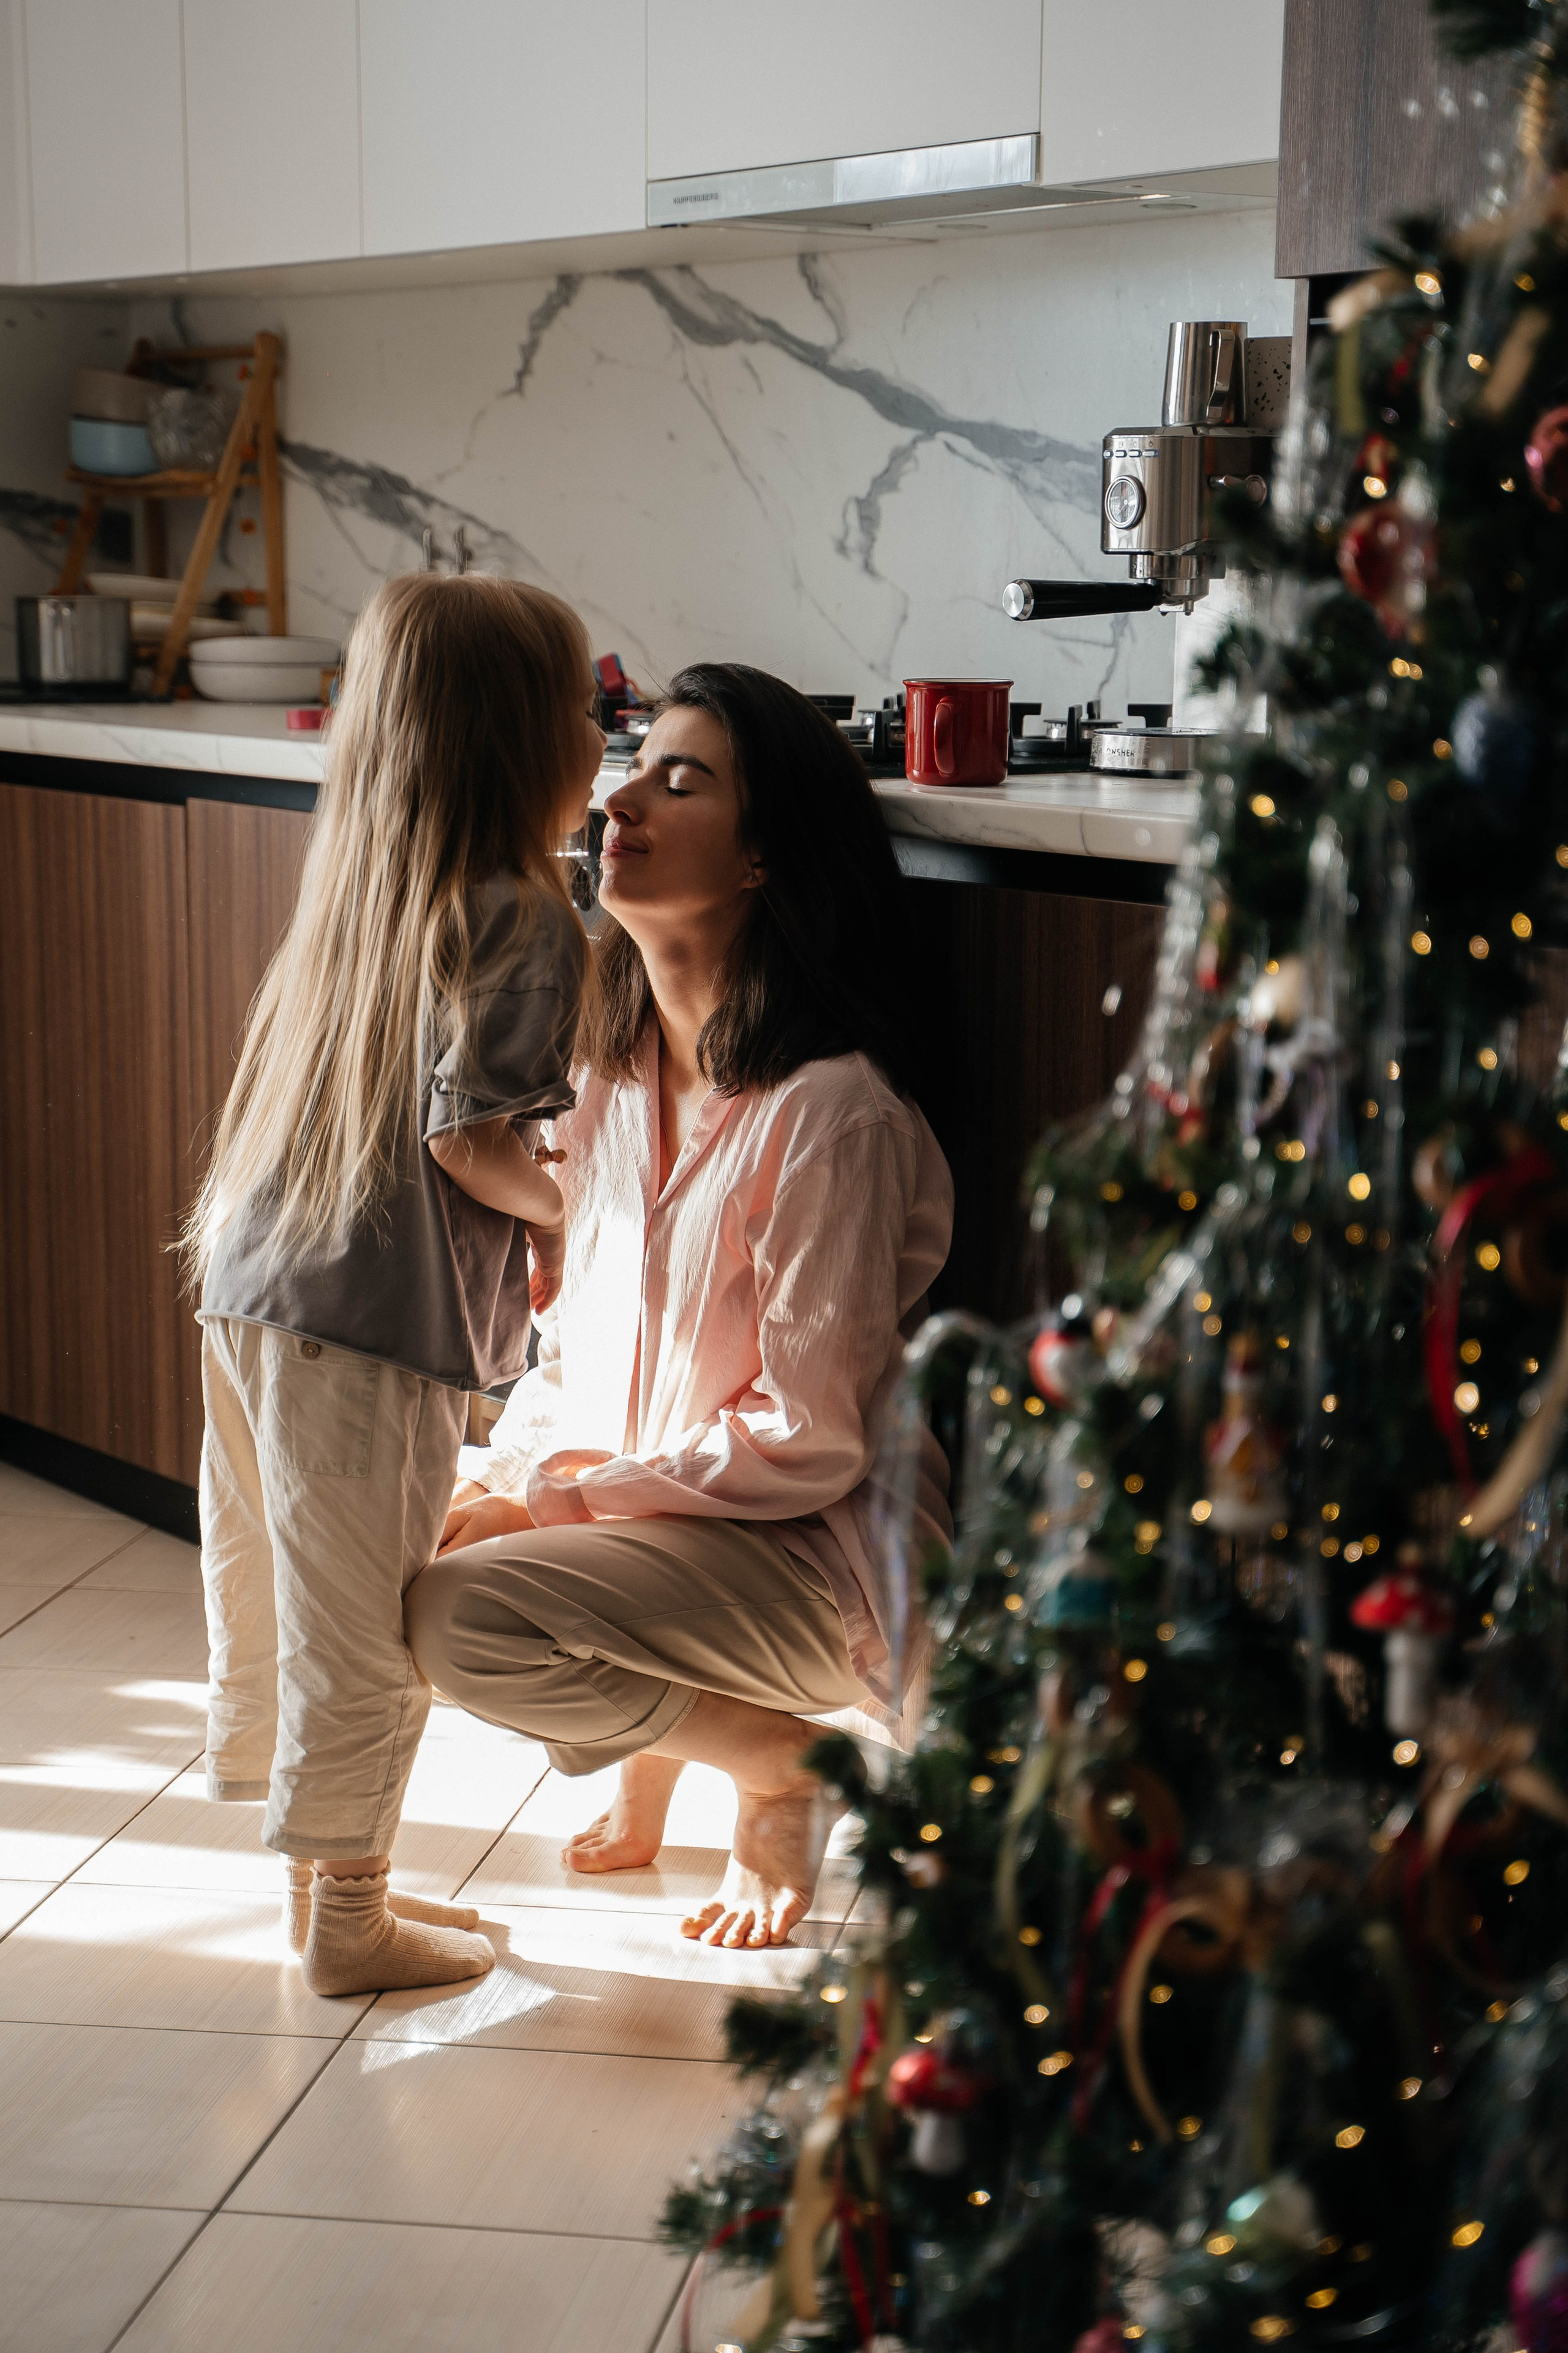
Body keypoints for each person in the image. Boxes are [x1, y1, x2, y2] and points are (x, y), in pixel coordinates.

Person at [407, 663, 953, 1951]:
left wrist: (562, 1500)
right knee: (412, 1541)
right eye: (632, 765)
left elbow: (808, 1437)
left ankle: (776, 1766)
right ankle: (669, 1740)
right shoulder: (605, 1076)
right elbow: (571, 1349)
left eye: (680, 777)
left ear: (764, 857)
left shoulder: (830, 1112)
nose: (620, 797)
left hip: (811, 1561)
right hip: (665, 1528)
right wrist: (515, 1470)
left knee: (463, 1613)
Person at [186, 572, 603, 1998]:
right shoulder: (528, 915)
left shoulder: (368, 884)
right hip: (361, 1323)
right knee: (368, 1624)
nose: (598, 734)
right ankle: (351, 1925)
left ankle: (326, 1875)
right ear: (524, 742)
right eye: (586, 709)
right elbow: (472, 1137)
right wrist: (583, 1209)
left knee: (289, 1586)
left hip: (253, 1288)